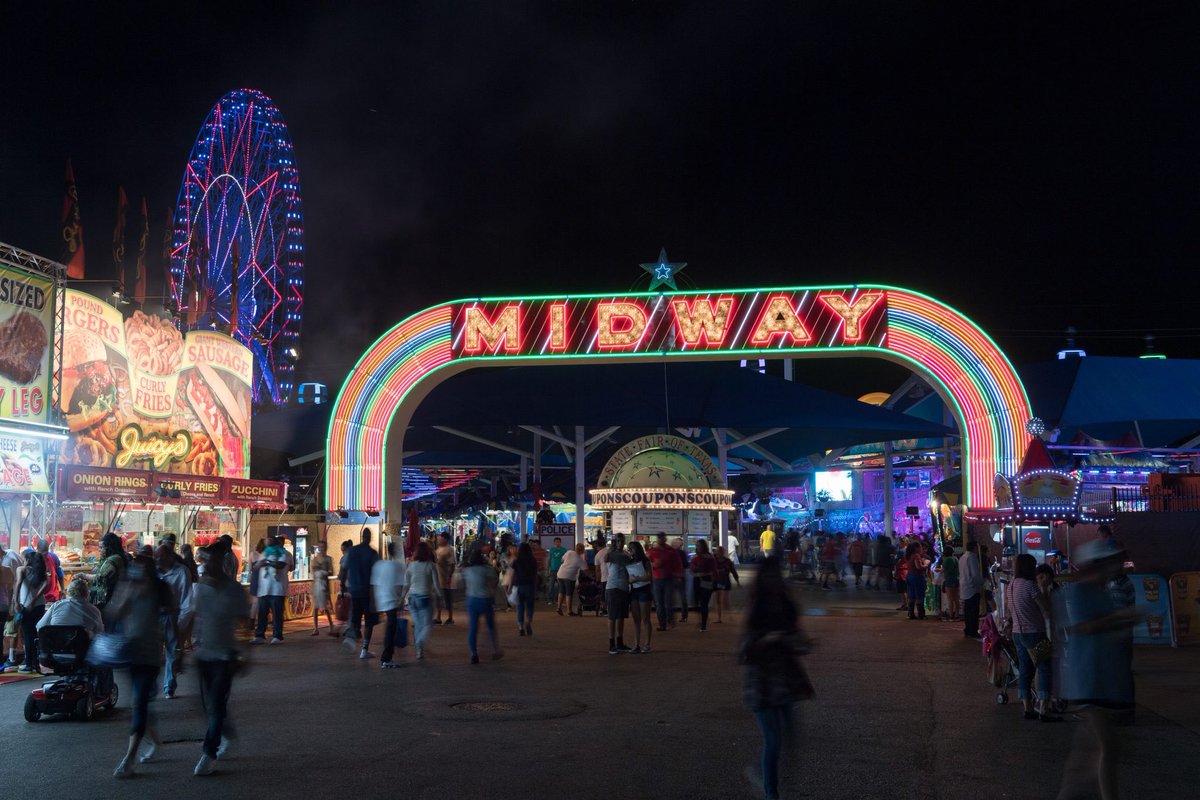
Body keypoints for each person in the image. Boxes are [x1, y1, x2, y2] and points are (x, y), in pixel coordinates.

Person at [1054, 538, 1138, 800]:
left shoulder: (1103, 590)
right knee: (1106, 747)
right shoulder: (1080, 591)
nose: (1115, 566)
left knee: (1091, 753)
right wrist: (1120, 619)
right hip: (1088, 679)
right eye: (1110, 561)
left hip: (1100, 678)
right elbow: (1083, 626)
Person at [738, 557, 812, 800]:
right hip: (762, 684)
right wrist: (769, 639)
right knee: (774, 739)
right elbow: (744, 652)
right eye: (770, 575)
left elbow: (796, 639)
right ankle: (772, 791)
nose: (773, 580)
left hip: (783, 681)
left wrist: (799, 642)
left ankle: (772, 783)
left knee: (788, 739)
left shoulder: (783, 603)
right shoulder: (757, 607)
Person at [108, 555, 176, 778]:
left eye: (143, 568)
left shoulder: (160, 590)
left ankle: (129, 760)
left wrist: (177, 650)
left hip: (150, 654)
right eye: (136, 568)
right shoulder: (129, 588)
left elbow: (173, 619)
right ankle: (156, 742)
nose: (139, 572)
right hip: (130, 652)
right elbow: (112, 614)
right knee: (141, 703)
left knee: (139, 702)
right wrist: (126, 590)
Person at [191, 545, 249, 776]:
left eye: (213, 562)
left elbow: (244, 624)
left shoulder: (234, 590)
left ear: (223, 563)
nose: (209, 566)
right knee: (207, 705)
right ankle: (227, 734)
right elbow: (196, 617)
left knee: (215, 703)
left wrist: (246, 654)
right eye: (207, 562)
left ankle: (209, 751)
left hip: (226, 655)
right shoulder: (202, 589)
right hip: (204, 653)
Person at [1008, 553, 1057, 722]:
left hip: (1017, 633)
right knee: (1044, 667)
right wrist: (1044, 590)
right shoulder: (1031, 586)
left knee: (1025, 669)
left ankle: (1027, 708)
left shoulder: (1012, 585)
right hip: (1034, 632)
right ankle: (1044, 708)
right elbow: (1046, 609)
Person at [156, 544, 194, 698]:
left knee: (172, 652)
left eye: (161, 558)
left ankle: (169, 686)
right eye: (156, 558)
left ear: (170, 557)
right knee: (153, 653)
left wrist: (181, 623)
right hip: (155, 616)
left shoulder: (181, 572)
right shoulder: (153, 571)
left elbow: (187, 600)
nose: (158, 561)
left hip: (173, 615)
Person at [340, 529, 380, 658]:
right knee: (369, 621)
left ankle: (352, 638)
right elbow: (377, 574)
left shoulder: (351, 551)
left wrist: (343, 585)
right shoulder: (372, 553)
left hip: (354, 590)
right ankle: (364, 649)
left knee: (355, 617)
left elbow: (343, 570)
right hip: (368, 592)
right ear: (369, 537)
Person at [462, 546, 503, 664]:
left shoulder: (467, 570)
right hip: (485, 599)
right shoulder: (487, 569)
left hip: (471, 600)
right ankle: (495, 649)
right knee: (490, 626)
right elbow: (494, 581)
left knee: (473, 628)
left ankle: (474, 654)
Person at [371, 541, 408, 669]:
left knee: (389, 629)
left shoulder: (379, 565)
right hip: (392, 601)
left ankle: (387, 657)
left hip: (382, 601)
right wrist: (401, 600)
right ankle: (386, 658)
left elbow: (374, 584)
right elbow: (400, 585)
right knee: (390, 630)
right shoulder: (398, 566)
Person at [251, 536, 293, 645]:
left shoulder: (285, 554)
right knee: (262, 613)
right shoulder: (265, 553)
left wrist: (267, 562)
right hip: (263, 588)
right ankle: (260, 635)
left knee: (277, 613)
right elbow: (256, 566)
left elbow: (281, 565)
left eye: (268, 542)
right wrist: (262, 562)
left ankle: (277, 636)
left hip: (277, 589)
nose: (266, 544)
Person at [14, 549, 48, 674]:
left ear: (27, 560)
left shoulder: (22, 569)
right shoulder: (39, 571)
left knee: (28, 635)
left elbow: (18, 584)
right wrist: (34, 600)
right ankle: (36, 664)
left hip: (26, 606)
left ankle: (29, 664)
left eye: (23, 558)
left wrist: (16, 602)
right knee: (35, 635)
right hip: (39, 606)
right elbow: (45, 584)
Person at [37, 577, 104, 637]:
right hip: (83, 649)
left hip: (56, 648)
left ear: (68, 592)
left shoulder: (57, 605)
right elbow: (100, 635)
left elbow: (40, 627)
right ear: (86, 594)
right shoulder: (94, 611)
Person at [407, 541, 439, 659]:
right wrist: (441, 596)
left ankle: (419, 651)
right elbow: (436, 584)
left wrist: (402, 597)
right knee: (427, 625)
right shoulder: (431, 565)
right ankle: (419, 642)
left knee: (418, 625)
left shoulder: (411, 565)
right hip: (425, 597)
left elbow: (406, 583)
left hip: (412, 598)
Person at [605, 534, 633, 654]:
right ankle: (612, 644)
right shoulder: (611, 554)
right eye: (618, 541)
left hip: (623, 588)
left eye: (622, 541)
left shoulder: (625, 555)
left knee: (621, 617)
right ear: (614, 542)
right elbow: (606, 559)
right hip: (613, 587)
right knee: (612, 616)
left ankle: (620, 642)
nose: (620, 543)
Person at [626, 540, 653, 653]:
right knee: (636, 619)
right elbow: (628, 578)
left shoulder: (645, 561)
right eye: (629, 549)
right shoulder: (630, 561)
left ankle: (647, 644)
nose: (630, 551)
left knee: (646, 618)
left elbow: (649, 577)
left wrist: (636, 579)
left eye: (631, 549)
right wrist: (630, 580)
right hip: (634, 590)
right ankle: (636, 644)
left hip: (644, 590)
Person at [649, 533, 676, 630]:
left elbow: (676, 563)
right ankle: (662, 624)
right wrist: (654, 564)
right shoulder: (653, 551)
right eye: (659, 538)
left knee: (668, 602)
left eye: (661, 538)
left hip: (668, 578)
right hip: (657, 579)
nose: (660, 540)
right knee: (659, 603)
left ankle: (669, 621)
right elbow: (649, 563)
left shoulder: (670, 551)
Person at [689, 539, 718, 631]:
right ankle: (702, 620)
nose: (698, 547)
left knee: (703, 603)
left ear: (703, 546)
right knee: (696, 602)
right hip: (698, 579)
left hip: (706, 579)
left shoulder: (708, 557)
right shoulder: (696, 557)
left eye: (699, 545)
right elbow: (692, 569)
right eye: (697, 546)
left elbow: (713, 569)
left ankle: (703, 624)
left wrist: (715, 581)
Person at [310, 541, 336, 636]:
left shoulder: (328, 559)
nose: (321, 548)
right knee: (316, 607)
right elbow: (312, 572)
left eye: (323, 547)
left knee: (326, 607)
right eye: (320, 547)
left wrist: (324, 572)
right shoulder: (314, 559)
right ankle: (315, 628)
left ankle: (331, 626)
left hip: (324, 584)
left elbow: (331, 571)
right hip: (316, 584)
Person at [511, 542, 538, 636]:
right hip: (530, 585)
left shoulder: (517, 561)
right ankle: (528, 621)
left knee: (520, 607)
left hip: (519, 585)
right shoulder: (533, 560)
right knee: (530, 606)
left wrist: (510, 587)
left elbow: (513, 574)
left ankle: (521, 627)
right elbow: (535, 575)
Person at [555, 543, 587, 616]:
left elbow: (562, 560)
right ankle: (569, 611)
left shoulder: (569, 552)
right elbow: (586, 571)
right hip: (569, 577)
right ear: (583, 550)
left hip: (560, 574)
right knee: (569, 594)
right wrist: (592, 577)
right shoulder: (581, 560)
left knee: (561, 591)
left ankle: (559, 607)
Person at [959, 540, 983, 639]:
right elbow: (975, 574)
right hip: (972, 587)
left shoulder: (962, 557)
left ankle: (968, 629)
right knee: (973, 611)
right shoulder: (972, 557)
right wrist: (981, 583)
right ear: (974, 548)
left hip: (964, 586)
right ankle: (973, 630)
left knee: (967, 610)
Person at [713, 544, 741, 623]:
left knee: (725, 600)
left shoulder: (727, 561)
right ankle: (719, 618)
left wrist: (737, 582)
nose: (719, 553)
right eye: (718, 551)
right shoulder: (714, 560)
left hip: (725, 581)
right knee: (718, 600)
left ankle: (729, 616)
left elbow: (733, 572)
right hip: (717, 581)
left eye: (720, 552)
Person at [434, 533, 456, 625]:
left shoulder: (450, 549)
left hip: (445, 578)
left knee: (447, 598)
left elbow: (452, 564)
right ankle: (438, 617)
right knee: (438, 597)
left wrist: (449, 577)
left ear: (445, 539)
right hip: (438, 578)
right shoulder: (438, 549)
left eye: (440, 538)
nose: (438, 540)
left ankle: (450, 617)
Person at [906, 543, 930, 620]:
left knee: (911, 595)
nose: (921, 549)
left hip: (910, 576)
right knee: (920, 595)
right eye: (920, 547)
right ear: (916, 548)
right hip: (917, 576)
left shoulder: (909, 555)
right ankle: (921, 614)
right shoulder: (916, 555)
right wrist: (926, 564)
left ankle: (911, 613)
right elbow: (918, 567)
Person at [671, 537, 689, 623]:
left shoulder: (672, 552)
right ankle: (683, 616)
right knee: (681, 597)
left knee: (672, 597)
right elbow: (686, 564)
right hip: (680, 576)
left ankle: (672, 616)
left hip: (675, 577)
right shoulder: (682, 553)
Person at [942, 545, 961, 621]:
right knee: (956, 598)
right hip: (956, 579)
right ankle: (957, 614)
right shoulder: (955, 558)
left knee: (950, 599)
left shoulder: (946, 560)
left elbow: (943, 570)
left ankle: (951, 615)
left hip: (949, 580)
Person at [547, 537, 567, 603]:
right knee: (551, 584)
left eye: (558, 542)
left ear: (560, 542)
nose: (557, 543)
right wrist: (548, 569)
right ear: (554, 542)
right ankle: (550, 599)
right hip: (553, 569)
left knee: (560, 585)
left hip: (561, 570)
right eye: (556, 542)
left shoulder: (564, 550)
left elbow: (566, 560)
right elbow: (549, 560)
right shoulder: (552, 550)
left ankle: (557, 599)